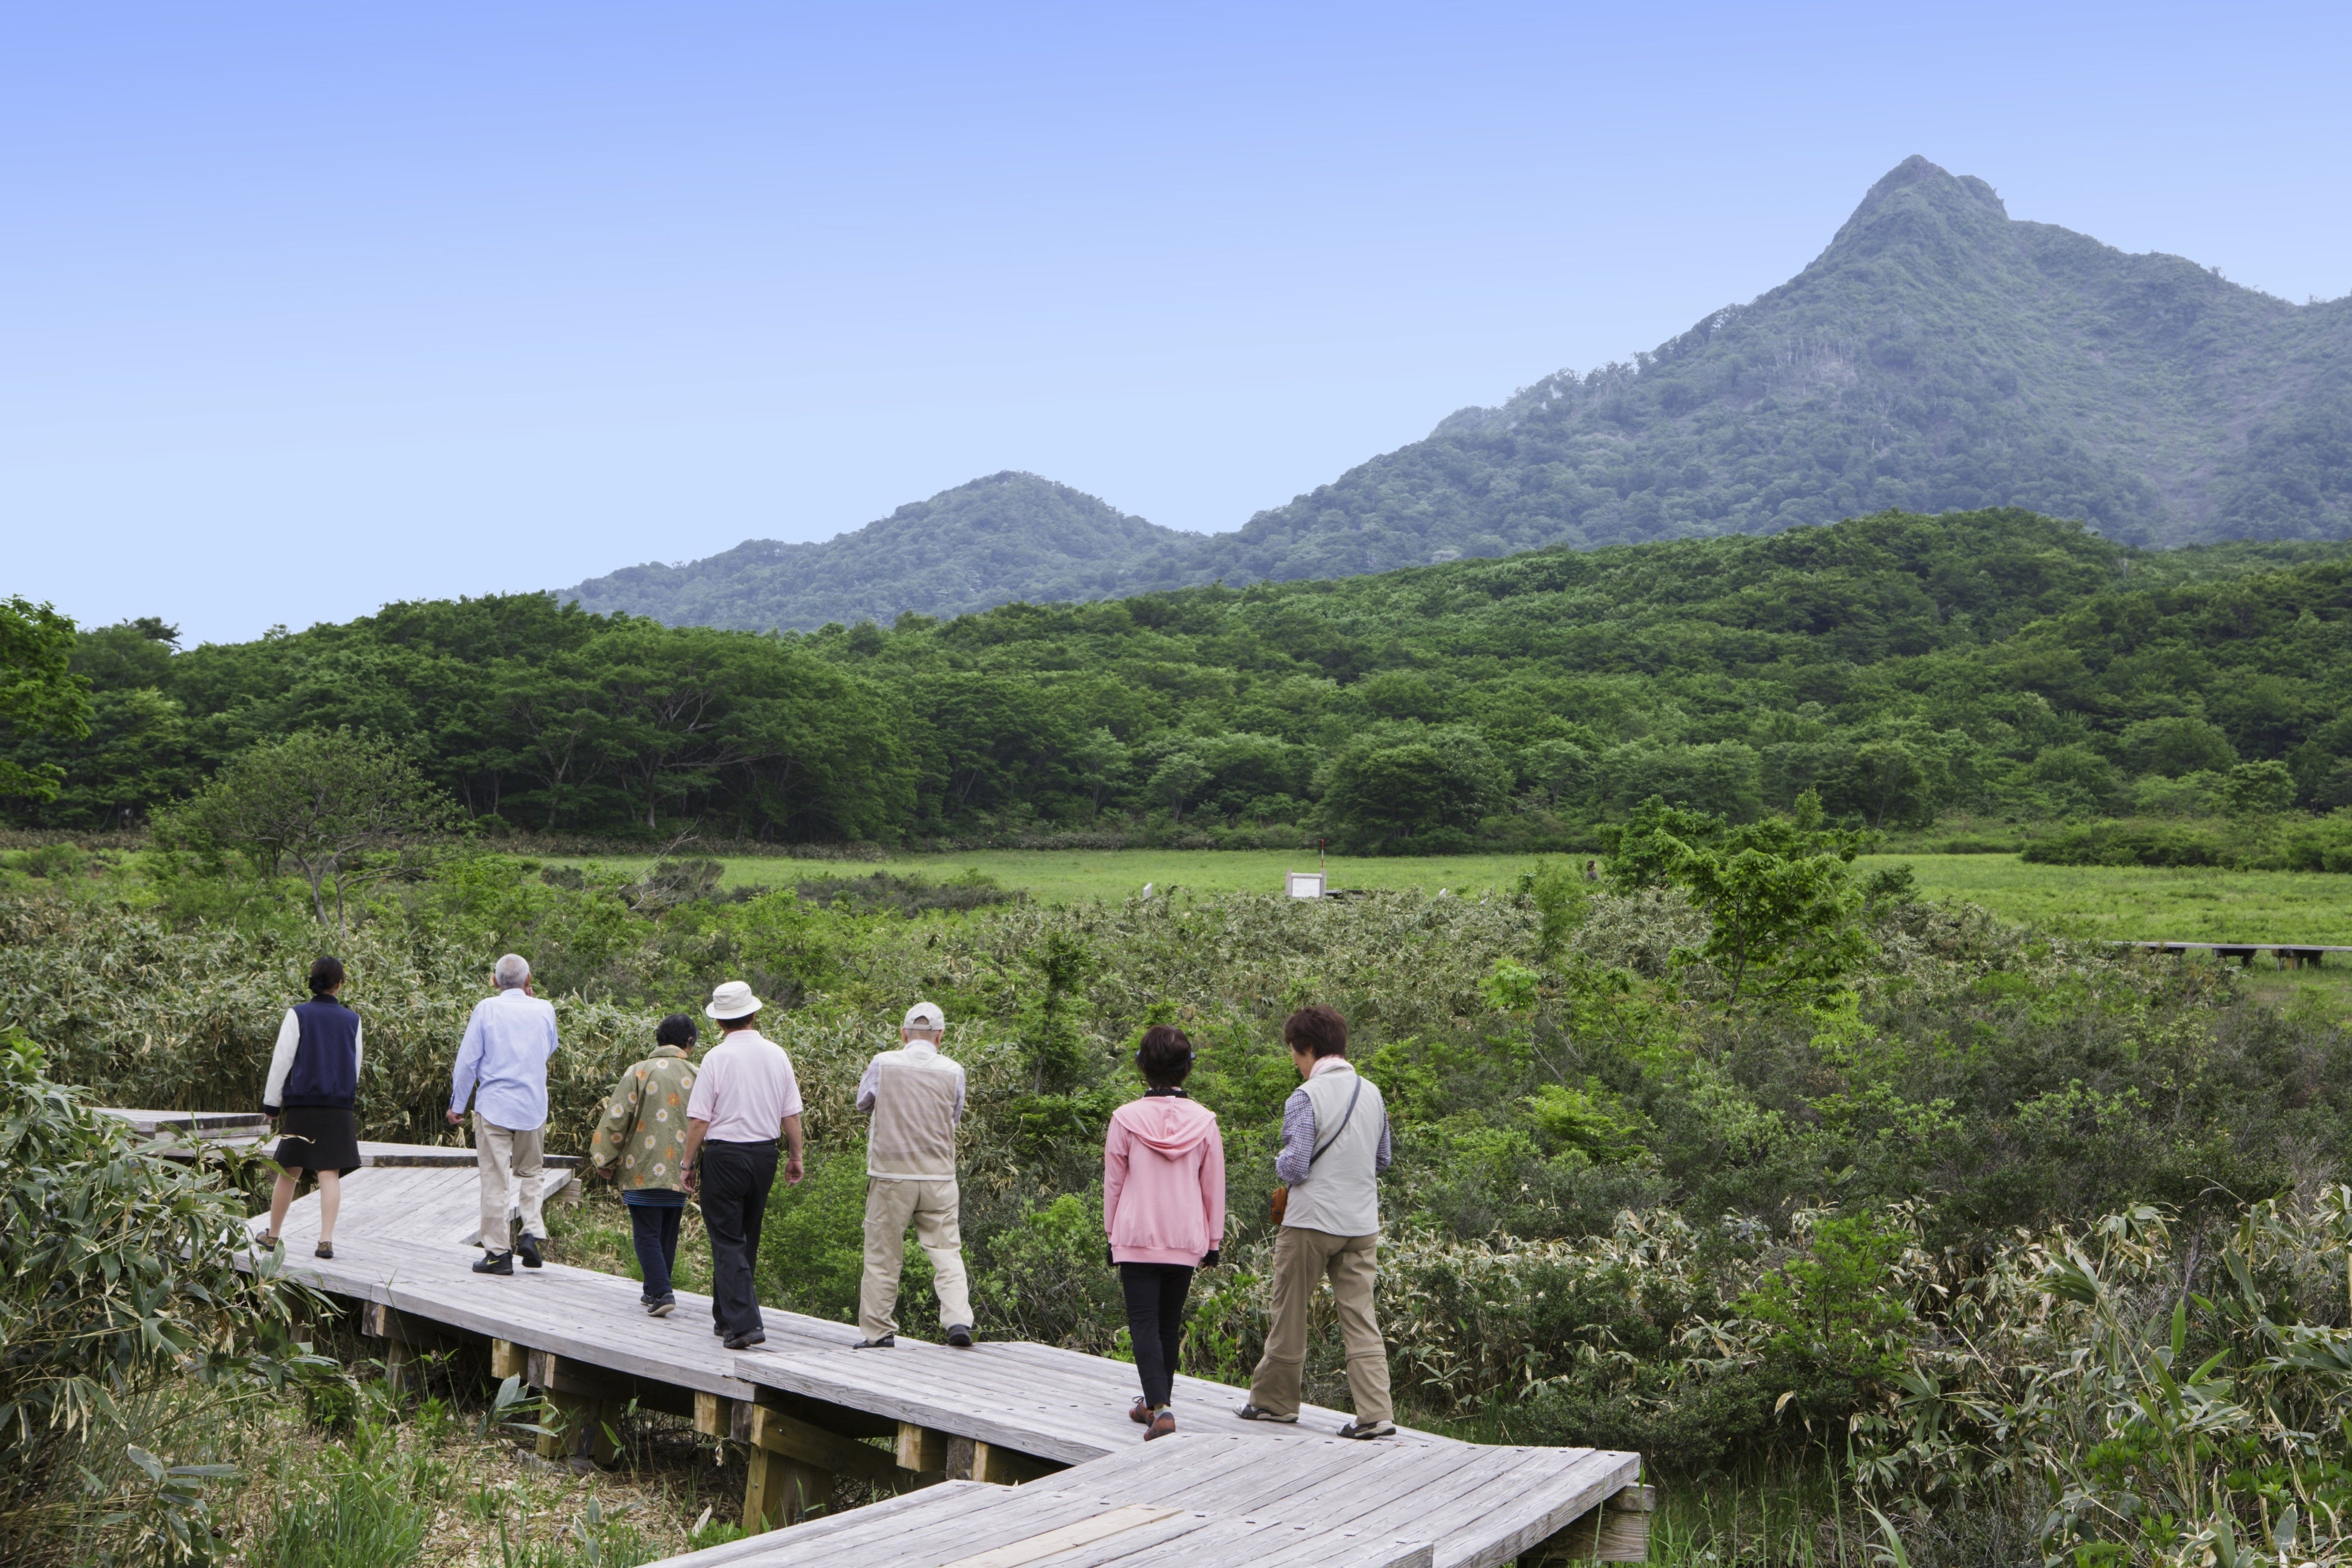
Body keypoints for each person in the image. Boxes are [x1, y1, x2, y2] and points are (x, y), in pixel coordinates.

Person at [1236, 1005, 1396, 1439]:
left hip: (1311, 1222)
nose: (1293, 1061)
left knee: (1289, 1311)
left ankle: (1274, 1403)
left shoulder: (1305, 1097)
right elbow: (1383, 1160)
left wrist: (1279, 1158)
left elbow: (1296, 1168)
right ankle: (1376, 1413)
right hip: (1361, 1223)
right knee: (1361, 1316)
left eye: (1294, 1052)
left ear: (1307, 1049)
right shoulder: (1373, 1093)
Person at [1103, 1025, 1225, 1440]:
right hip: (1186, 1235)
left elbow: (1114, 1184)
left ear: (1142, 1067)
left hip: (1136, 1234)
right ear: (1187, 1069)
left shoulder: (1125, 1118)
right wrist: (1213, 1242)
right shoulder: (1205, 1122)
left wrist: (1110, 1235)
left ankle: (1159, 1408)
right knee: (1168, 1324)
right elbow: (1213, 1187)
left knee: (1142, 1323)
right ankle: (1156, 1405)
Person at [681, 981, 805, 1350]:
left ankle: (745, 1323)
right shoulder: (777, 1054)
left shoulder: (717, 1059)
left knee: (726, 1238)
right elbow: (791, 1114)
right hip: (765, 1155)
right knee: (745, 1235)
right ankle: (726, 1317)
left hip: (725, 1156)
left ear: (720, 1023)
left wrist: (688, 1163)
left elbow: (699, 1120)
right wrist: (796, 1156)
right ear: (753, 1014)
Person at [852, 1002, 975, 1349]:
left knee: (883, 1255)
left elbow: (863, 1102)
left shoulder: (884, 1062)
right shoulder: (954, 1070)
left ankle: (879, 1332)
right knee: (947, 1250)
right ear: (941, 1036)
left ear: (903, 1034)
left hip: (891, 1174)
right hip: (938, 1176)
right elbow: (955, 1116)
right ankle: (958, 1321)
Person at [447, 953, 561, 1277]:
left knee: (495, 1179)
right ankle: (531, 1230)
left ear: (495, 982)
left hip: (494, 1105)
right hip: (532, 1105)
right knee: (532, 1172)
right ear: (529, 982)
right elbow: (548, 1048)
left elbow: (468, 1061)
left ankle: (498, 1254)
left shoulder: (487, 1008)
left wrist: (458, 1104)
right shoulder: (545, 1009)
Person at [589, 1012, 701, 1317]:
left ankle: (663, 1292)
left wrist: (604, 1158)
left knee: (646, 1233)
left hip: (642, 1168)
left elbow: (617, 1117)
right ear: (689, 1042)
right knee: (667, 1232)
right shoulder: (697, 1073)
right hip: (681, 1168)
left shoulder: (638, 1071)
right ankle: (653, 1290)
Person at [256, 955, 364, 1260]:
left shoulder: (298, 1014)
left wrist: (271, 1104)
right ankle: (325, 1241)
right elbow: (354, 1067)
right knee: (329, 1172)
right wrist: (344, 1098)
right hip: (338, 1106)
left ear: (313, 981)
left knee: (288, 1172)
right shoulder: (353, 1020)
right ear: (340, 984)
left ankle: (273, 1236)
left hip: (303, 1105)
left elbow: (282, 1062)